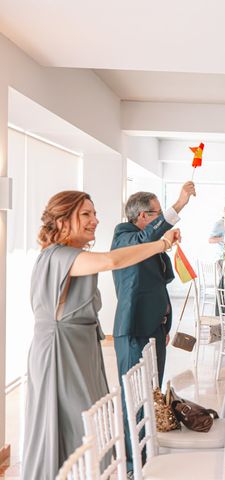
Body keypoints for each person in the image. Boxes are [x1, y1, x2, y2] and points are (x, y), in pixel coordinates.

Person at [23, 191, 181, 480]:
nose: (95, 220)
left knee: (89, 424)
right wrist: (160, 244)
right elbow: (112, 261)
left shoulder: (69, 255)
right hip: (61, 352)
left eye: (94, 214)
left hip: (80, 349)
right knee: (72, 426)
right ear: (61, 220)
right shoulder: (60, 256)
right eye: (86, 214)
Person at [111, 183, 194, 472]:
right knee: (132, 396)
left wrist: (166, 244)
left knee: (151, 392)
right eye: (157, 213)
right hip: (134, 328)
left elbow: (162, 278)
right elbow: (147, 238)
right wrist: (179, 205)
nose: (160, 219)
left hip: (155, 327)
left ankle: (146, 449)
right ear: (143, 216)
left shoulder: (146, 241)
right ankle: (131, 463)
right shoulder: (124, 236)